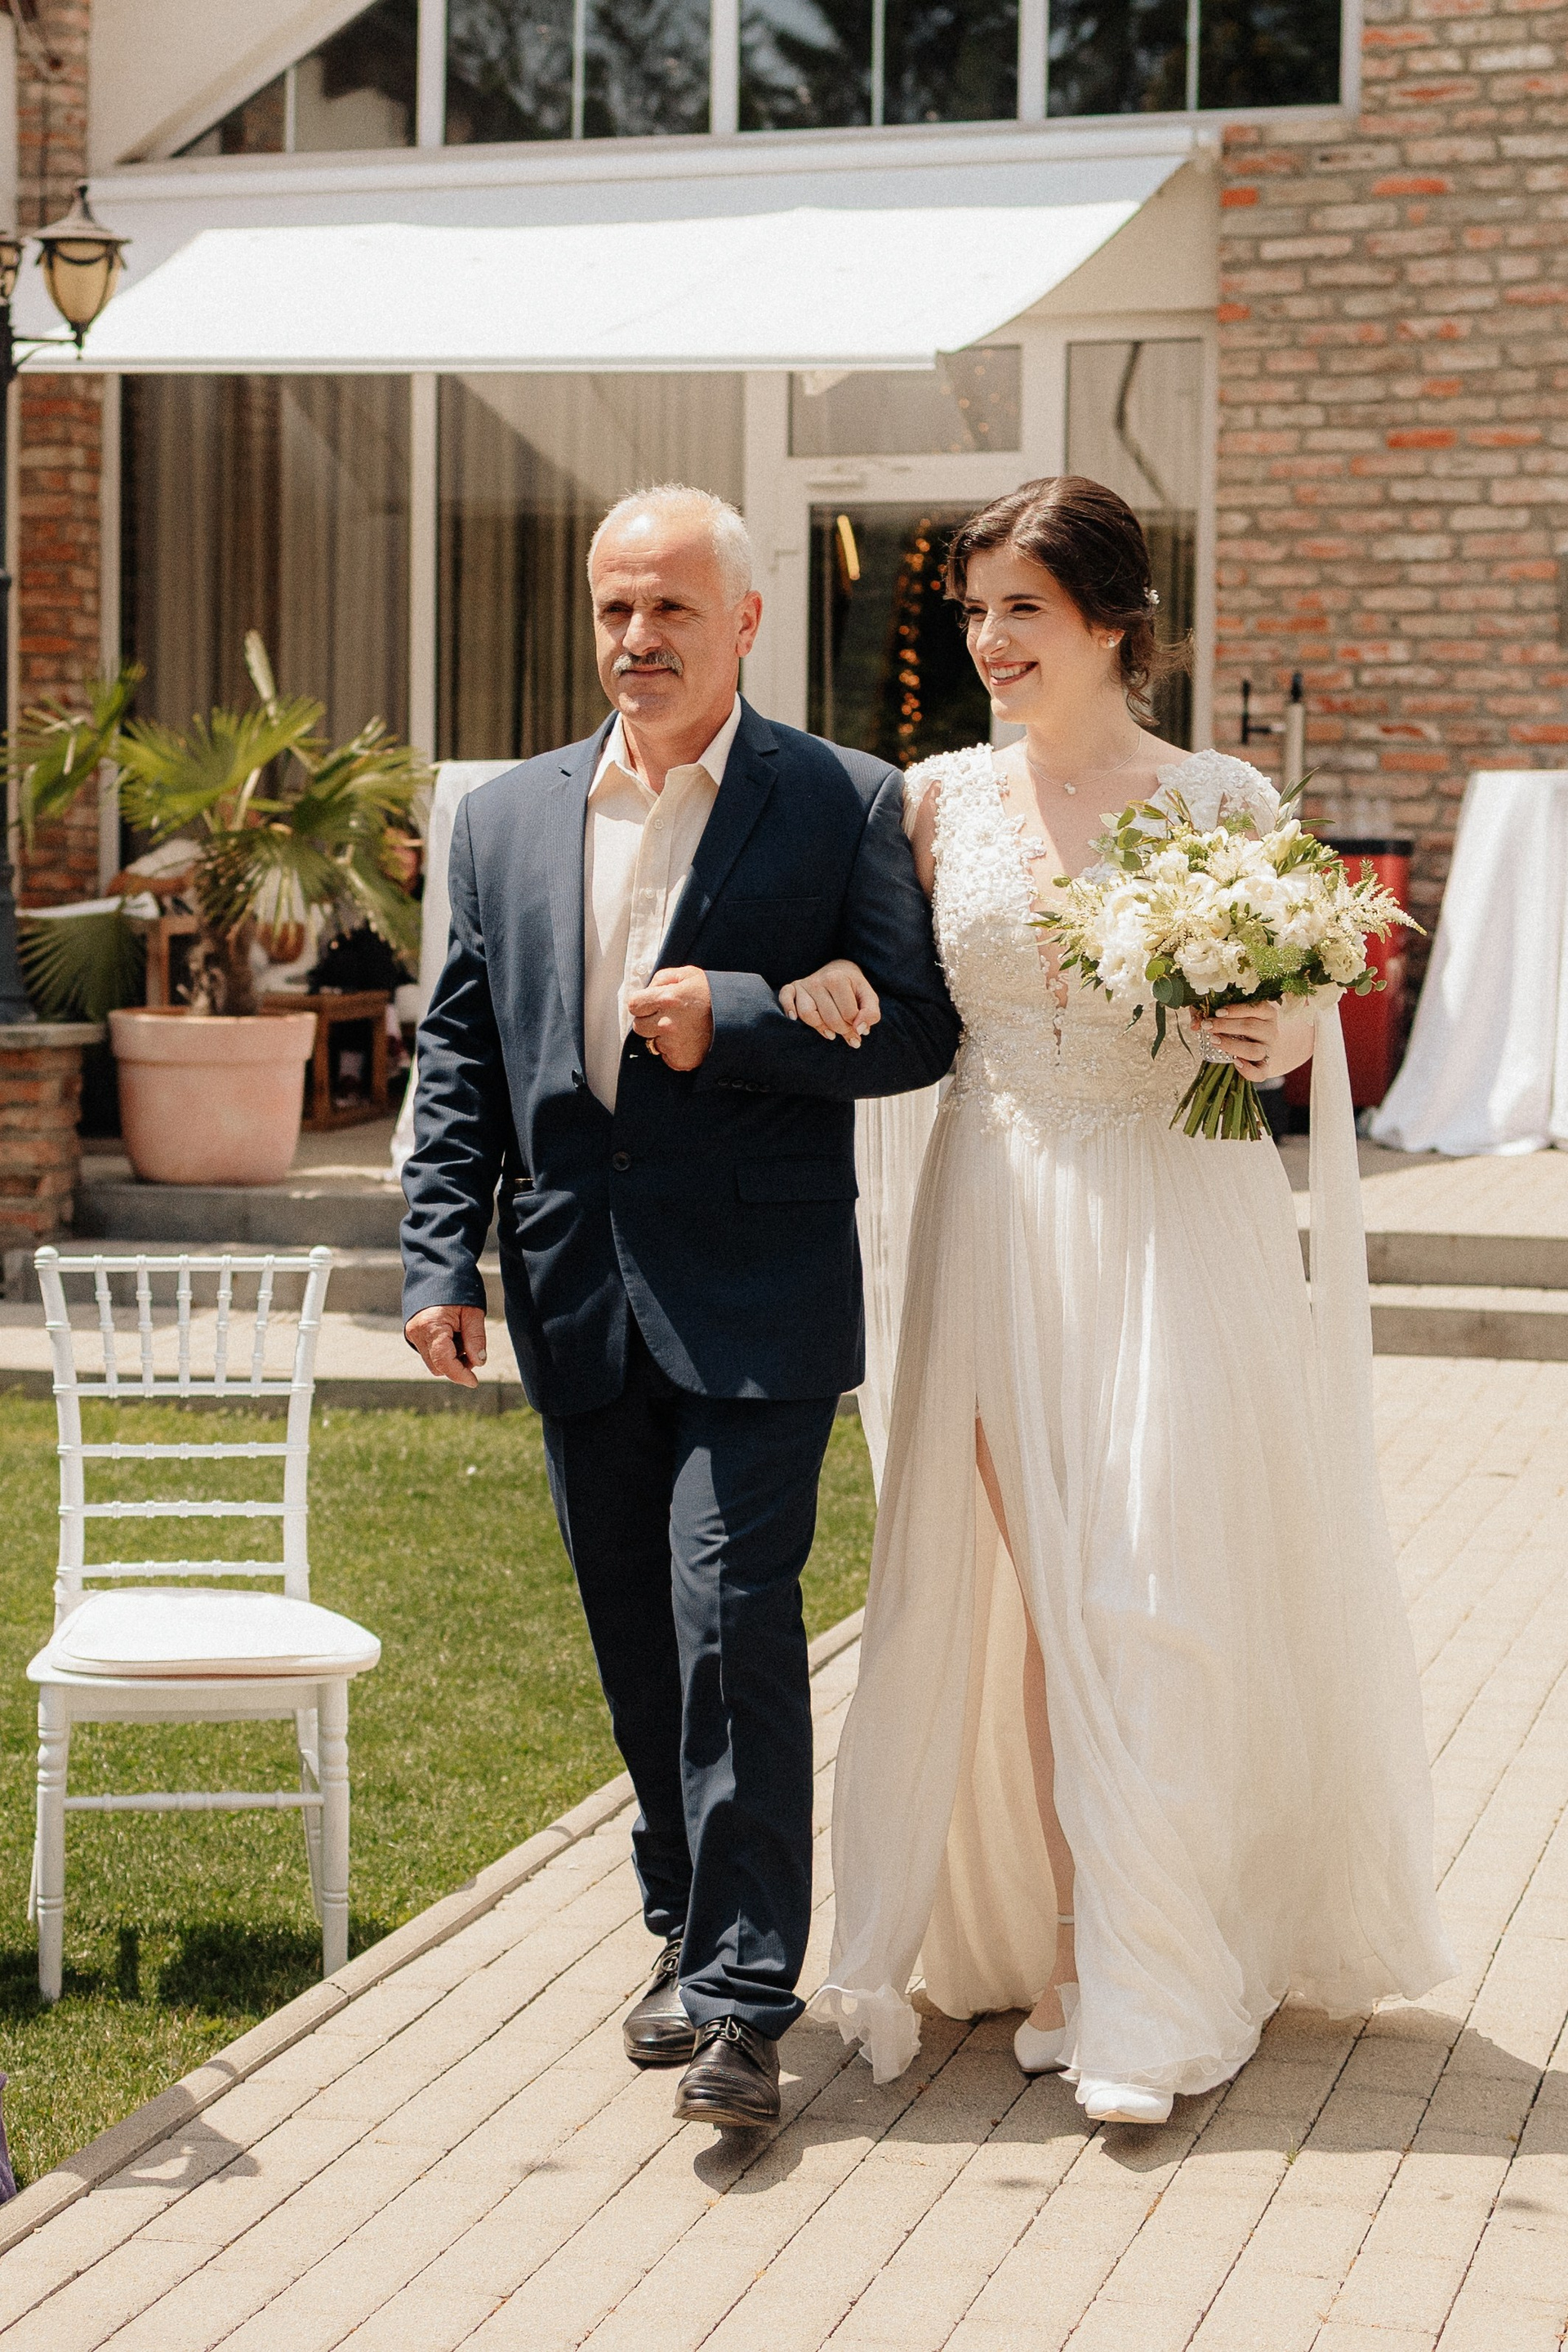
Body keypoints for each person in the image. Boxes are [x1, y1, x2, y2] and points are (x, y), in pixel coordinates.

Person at [787, 477, 1453, 2127]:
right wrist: (823, 982)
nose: (988, 641)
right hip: (1000, 1220)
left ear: (1110, 621)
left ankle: (1156, 1982)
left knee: (1150, 1583)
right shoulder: (935, 803)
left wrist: (1276, 1034)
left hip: (1177, 1218)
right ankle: (1081, 1959)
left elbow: (1308, 1003)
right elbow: (898, 1003)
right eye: (975, 612)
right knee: (1051, 1599)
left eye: (1021, 608)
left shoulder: (1221, 797)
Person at [399, 483, 959, 2131]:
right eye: (614, 609)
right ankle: (680, 1924)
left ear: (746, 622)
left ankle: (742, 2002)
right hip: (573, 1285)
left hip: (758, 1292)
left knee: (734, 1626)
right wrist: (438, 1258)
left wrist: (743, 1017)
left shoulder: (841, 800)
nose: (635, 639)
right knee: (639, 1642)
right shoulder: (505, 817)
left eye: (669, 610)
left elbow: (920, 1028)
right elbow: (461, 1053)